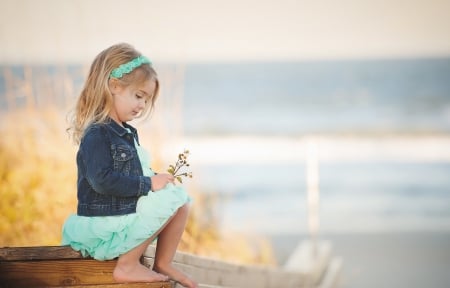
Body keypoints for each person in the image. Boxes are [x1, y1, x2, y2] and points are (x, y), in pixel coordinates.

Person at [62, 43, 198, 288]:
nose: (142, 106)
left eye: (146, 100)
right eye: (138, 96)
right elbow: (102, 180)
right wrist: (148, 184)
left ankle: (163, 263)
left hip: (121, 214)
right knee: (173, 199)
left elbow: (130, 174)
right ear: (114, 86)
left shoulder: (126, 133)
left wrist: (156, 179)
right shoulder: (98, 134)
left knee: (181, 200)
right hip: (104, 222)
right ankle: (127, 265)